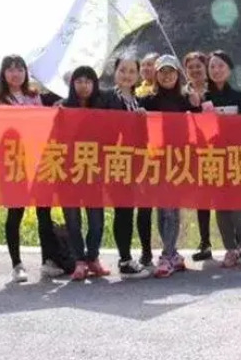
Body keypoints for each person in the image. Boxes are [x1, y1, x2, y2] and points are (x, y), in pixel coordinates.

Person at [0, 55, 64, 281]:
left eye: (19, 69)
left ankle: (48, 261)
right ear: (3, 74)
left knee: (44, 213)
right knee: (15, 213)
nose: (15, 73)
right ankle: (17, 265)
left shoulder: (35, 96)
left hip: (39, 161)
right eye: (10, 69)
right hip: (14, 163)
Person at [138, 54, 199, 277]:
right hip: (156, 160)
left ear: (177, 74)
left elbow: (202, 122)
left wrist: (197, 104)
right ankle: (171, 253)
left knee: (172, 208)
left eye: (171, 71)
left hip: (179, 159)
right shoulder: (148, 99)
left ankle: (167, 254)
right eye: (162, 72)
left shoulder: (185, 99)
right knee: (163, 209)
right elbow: (133, 115)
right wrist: (139, 114)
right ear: (156, 75)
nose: (166, 76)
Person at [202, 51, 241, 268]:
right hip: (213, 157)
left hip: (236, 156)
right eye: (212, 66)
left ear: (229, 69)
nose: (216, 70)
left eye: (221, 66)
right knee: (221, 206)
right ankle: (230, 249)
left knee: (237, 205)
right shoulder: (203, 98)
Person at [100, 54, 152, 278]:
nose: (127, 75)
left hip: (135, 162)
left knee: (129, 209)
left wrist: (142, 121)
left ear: (138, 75)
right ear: (115, 72)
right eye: (123, 70)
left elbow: (143, 137)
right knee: (122, 210)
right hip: (115, 161)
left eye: (132, 71)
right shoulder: (106, 97)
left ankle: (128, 258)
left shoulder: (138, 101)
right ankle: (124, 259)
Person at [60, 66, 111, 280]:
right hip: (68, 171)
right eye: (79, 81)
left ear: (94, 84)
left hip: (93, 170)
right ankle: (79, 261)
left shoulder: (104, 106)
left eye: (88, 81)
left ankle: (93, 257)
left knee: (96, 220)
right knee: (72, 220)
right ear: (72, 84)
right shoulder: (63, 107)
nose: (84, 86)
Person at [183, 50, 214, 262]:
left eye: (199, 66)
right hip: (193, 152)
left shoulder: (215, 90)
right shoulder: (182, 93)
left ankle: (237, 244)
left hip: (218, 150)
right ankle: (205, 242)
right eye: (190, 67)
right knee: (202, 200)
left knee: (226, 197)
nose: (195, 70)